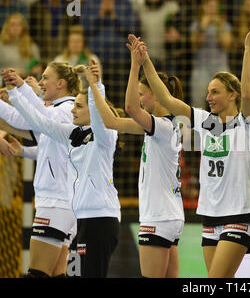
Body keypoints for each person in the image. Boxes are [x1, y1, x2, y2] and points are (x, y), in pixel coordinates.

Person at [132, 22, 250, 278]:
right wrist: (146, 62)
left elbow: (249, 93)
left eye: (215, 92)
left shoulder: (247, 123)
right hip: (210, 217)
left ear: (232, 95)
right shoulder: (206, 121)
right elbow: (168, 100)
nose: (209, 96)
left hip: (239, 214)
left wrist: (248, 50)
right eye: (208, 92)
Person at [5, 61, 122, 278]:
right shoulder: (73, 134)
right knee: (63, 274)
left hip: (93, 217)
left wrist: (96, 86)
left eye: (78, 106)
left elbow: (99, 115)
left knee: (40, 273)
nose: (73, 110)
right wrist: (17, 95)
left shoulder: (105, 135)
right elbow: (40, 122)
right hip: (80, 217)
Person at [88, 37, 185, 278]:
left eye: (143, 93)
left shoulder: (162, 126)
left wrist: (135, 66)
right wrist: (94, 88)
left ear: (156, 95)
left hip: (159, 216)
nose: (140, 99)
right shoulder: (163, 126)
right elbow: (112, 122)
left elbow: (131, 108)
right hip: (170, 216)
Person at [1, 63, 80, 278]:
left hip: (56, 203)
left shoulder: (66, 111)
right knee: (56, 274)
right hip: (59, 203)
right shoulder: (58, 110)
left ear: (61, 83)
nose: (41, 83)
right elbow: (24, 119)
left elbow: (35, 118)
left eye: (46, 78)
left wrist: (20, 90)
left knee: (36, 274)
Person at [189, 0, 232, 109]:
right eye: (209, 6)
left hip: (220, 68)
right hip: (201, 68)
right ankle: (198, 125)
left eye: (214, 6)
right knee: (197, 103)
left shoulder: (224, 25)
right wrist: (203, 27)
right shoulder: (196, 25)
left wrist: (219, 27)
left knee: (225, 103)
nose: (212, 9)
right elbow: (194, 46)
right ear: (203, 7)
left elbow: (226, 45)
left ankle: (225, 125)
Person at [0, 13, 41, 78]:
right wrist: (9, 72)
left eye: (19, 25)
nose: (15, 28)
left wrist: (36, 70)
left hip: (25, 82)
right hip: (4, 82)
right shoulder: (1, 45)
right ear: (7, 27)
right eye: (12, 25)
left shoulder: (31, 46)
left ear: (23, 28)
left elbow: (37, 66)